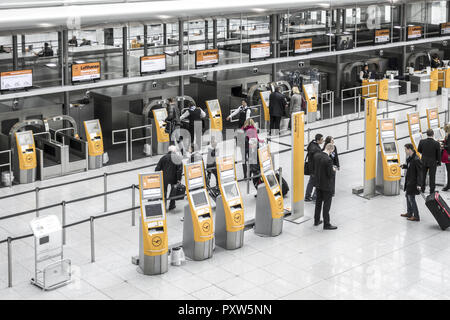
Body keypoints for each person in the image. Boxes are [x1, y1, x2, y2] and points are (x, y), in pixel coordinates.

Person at [313, 143, 338, 230]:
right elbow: (330, 175)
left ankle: (316, 220)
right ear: (330, 150)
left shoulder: (317, 156)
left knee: (318, 203)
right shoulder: (328, 160)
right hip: (327, 186)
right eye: (332, 151)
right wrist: (333, 170)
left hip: (318, 184)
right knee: (326, 205)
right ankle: (326, 224)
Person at [155, 145, 183, 211]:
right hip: (174, 178)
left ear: (168, 150)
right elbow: (179, 170)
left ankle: (164, 206)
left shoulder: (163, 158)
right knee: (173, 191)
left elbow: (157, 169)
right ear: (175, 151)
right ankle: (172, 205)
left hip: (164, 178)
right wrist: (179, 179)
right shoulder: (177, 158)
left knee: (164, 192)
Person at [400, 143, 423, 221]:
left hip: (413, 182)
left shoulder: (416, 159)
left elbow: (420, 173)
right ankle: (409, 213)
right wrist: (404, 166)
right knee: (407, 197)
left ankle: (416, 216)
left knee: (411, 198)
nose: (405, 151)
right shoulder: (410, 158)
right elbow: (410, 166)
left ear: (410, 149)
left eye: (405, 150)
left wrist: (419, 184)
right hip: (409, 181)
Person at [418, 129, 441, 194]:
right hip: (433, 162)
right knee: (432, 176)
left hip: (423, 161)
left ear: (426, 134)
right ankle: (431, 190)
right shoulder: (436, 143)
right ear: (433, 134)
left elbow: (419, 150)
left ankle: (422, 189)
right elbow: (438, 154)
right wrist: (439, 162)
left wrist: (424, 153)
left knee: (423, 175)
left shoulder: (422, 141)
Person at [305, 133, 324, 202]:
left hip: (312, 168)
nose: (323, 141)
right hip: (315, 169)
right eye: (321, 139)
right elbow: (317, 160)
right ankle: (314, 197)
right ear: (318, 140)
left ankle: (307, 196)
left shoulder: (312, 144)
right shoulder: (315, 149)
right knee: (318, 183)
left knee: (311, 182)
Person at [442, 124, 450, 191]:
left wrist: (443, 146)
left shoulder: (449, 135)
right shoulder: (448, 135)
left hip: (448, 155)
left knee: (449, 171)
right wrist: (442, 141)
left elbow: (449, 146)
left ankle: (448, 185)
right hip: (447, 155)